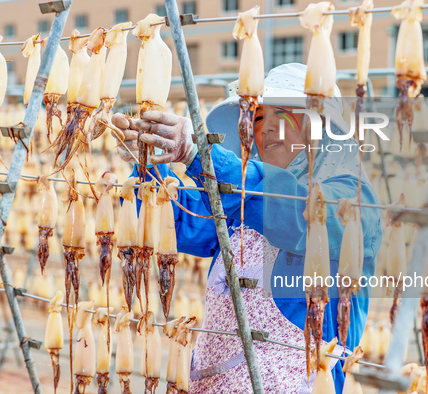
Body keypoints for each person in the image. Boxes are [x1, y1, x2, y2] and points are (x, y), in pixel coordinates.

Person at [112, 63, 382, 393]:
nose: (266, 128)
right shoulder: (240, 193)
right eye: (257, 118)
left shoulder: (352, 196)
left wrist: (203, 155)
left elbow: (303, 214)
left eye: (281, 114)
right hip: (217, 382)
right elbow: (181, 220)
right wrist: (147, 169)